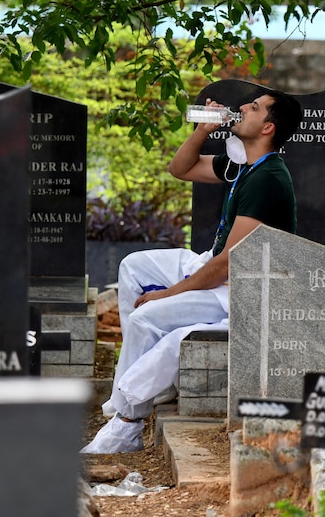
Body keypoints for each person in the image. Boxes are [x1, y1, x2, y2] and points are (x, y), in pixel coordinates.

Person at [81, 89, 302, 454]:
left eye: (255, 107)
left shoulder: (268, 179)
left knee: (146, 316)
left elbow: (229, 264)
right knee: (133, 267)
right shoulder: (246, 163)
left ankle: (126, 424)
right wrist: (202, 129)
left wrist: (171, 292)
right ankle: (136, 382)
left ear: (267, 127)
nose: (243, 106)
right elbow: (179, 169)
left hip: (239, 291)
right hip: (212, 263)